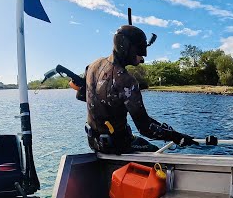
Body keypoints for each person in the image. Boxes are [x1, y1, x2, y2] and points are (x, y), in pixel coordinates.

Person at [75, 24, 199, 154]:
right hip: (118, 145)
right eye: (140, 51)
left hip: (94, 143)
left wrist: (111, 102)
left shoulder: (92, 65)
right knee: (156, 153)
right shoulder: (126, 81)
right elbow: (145, 128)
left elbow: (81, 96)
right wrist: (177, 137)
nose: (143, 58)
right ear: (126, 47)